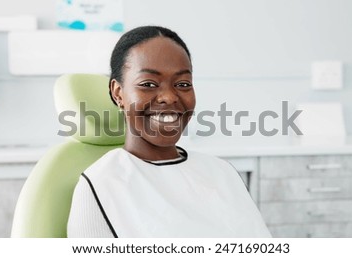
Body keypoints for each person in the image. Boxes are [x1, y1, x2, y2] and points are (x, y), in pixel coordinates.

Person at [67, 25, 271, 237]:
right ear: (118, 93)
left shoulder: (222, 172)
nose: (170, 97)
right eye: (148, 83)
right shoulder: (101, 184)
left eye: (183, 84)